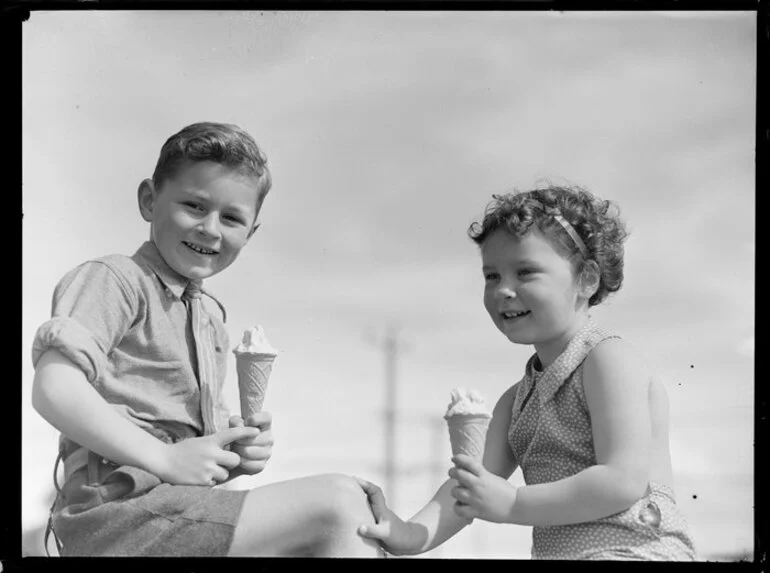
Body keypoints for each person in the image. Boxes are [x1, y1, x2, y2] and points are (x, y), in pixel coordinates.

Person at [31, 122, 381, 557]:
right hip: (114, 510)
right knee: (339, 504)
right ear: (148, 200)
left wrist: (236, 455)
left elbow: (193, 464)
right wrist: (164, 459)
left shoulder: (211, 318)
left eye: (232, 218)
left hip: (174, 508)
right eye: (194, 206)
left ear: (250, 233)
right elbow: (53, 389)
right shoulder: (116, 279)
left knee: (360, 506)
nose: (210, 229)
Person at [357, 185, 697, 560]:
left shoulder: (608, 359)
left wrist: (514, 503)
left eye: (525, 272)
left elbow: (622, 480)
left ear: (587, 280)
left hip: (636, 551)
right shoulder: (515, 402)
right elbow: (471, 487)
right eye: (491, 276)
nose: (503, 289)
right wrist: (410, 533)